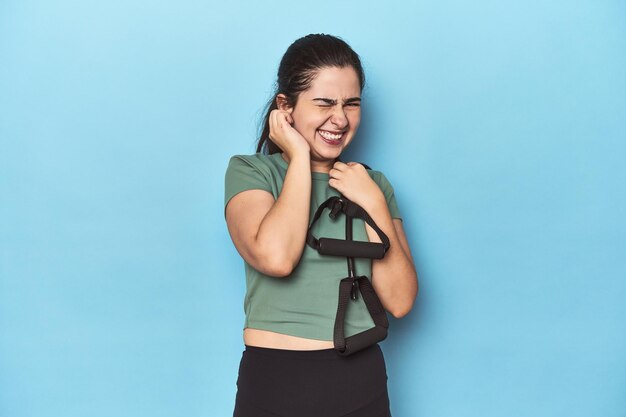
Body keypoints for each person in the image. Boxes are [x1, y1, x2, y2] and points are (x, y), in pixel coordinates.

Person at [224, 34, 418, 417]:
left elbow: (400, 301)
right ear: (286, 107)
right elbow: (276, 258)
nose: (340, 119)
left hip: (361, 380)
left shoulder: (372, 185)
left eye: (351, 104)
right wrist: (298, 157)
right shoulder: (252, 172)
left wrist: (374, 202)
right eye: (325, 103)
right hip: (276, 379)